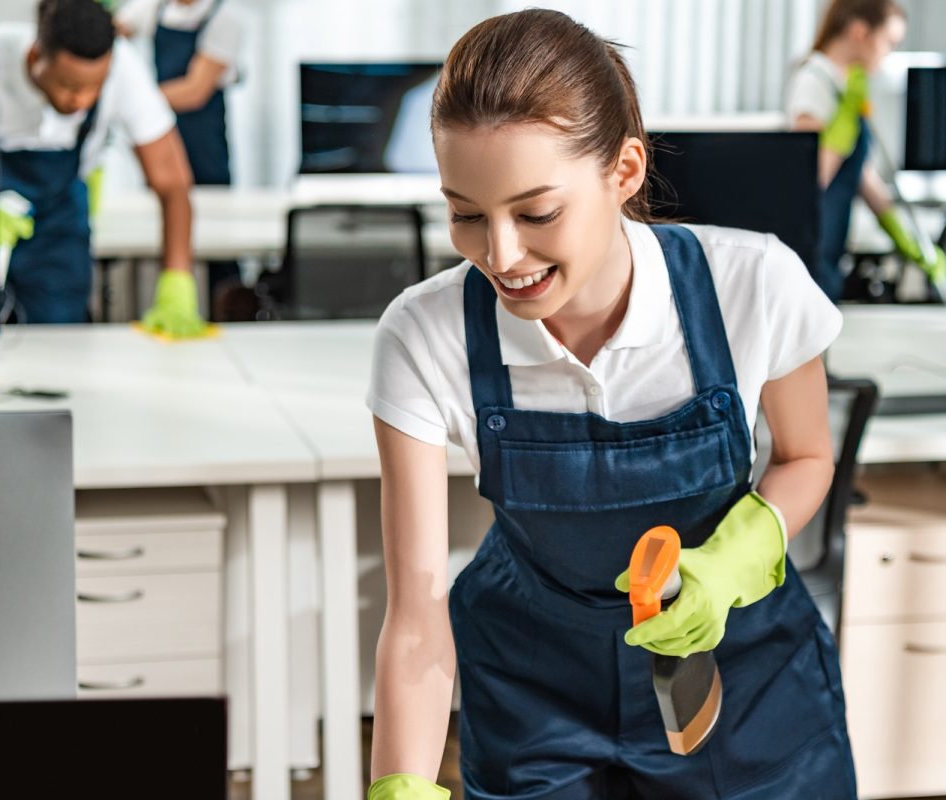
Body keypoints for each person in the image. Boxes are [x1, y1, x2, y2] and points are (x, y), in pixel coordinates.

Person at [365, 9, 856, 800]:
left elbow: (807, 457)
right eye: (465, 214)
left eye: (536, 212)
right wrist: (400, 785)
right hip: (534, 699)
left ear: (624, 171)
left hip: (743, 690)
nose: (501, 254)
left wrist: (736, 556)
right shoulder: (424, 336)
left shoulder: (752, 284)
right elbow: (417, 616)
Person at [0, 0, 204, 335]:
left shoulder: (123, 67)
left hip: (60, 230)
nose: (82, 100)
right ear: (36, 58)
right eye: (69, 87)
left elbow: (172, 183)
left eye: (94, 89)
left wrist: (177, 283)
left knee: (59, 341)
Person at [786, 0, 945, 302]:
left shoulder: (844, 86)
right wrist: (842, 127)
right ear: (860, 32)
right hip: (809, 251)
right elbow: (808, 180)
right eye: (889, 42)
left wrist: (913, 245)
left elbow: (866, 182)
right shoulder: (815, 81)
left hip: (828, 254)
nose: (888, 55)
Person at [116, 0, 243, 312]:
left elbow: (195, 91)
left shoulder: (224, 18)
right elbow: (108, 35)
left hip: (205, 147)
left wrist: (134, 99)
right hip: (162, 140)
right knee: (163, 227)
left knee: (216, 241)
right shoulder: (153, 8)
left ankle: (225, 314)